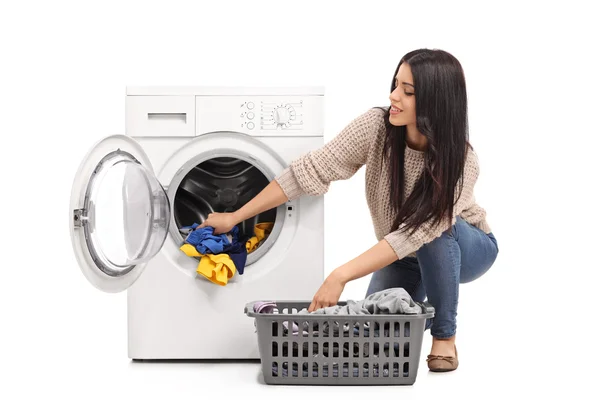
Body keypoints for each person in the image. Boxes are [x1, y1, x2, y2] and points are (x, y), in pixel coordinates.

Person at [198, 48, 499, 372]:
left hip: (465, 248)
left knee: (435, 232)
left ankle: (444, 337)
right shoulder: (378, 128)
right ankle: (418, 317)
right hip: (403, 256)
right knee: (369, 341)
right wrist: (234, 216)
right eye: (395, 84)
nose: (393, 96)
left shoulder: (462, 160)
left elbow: (420, 231)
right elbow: (313, 170)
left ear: (436, 102)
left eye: (407, 91)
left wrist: (340, 275)